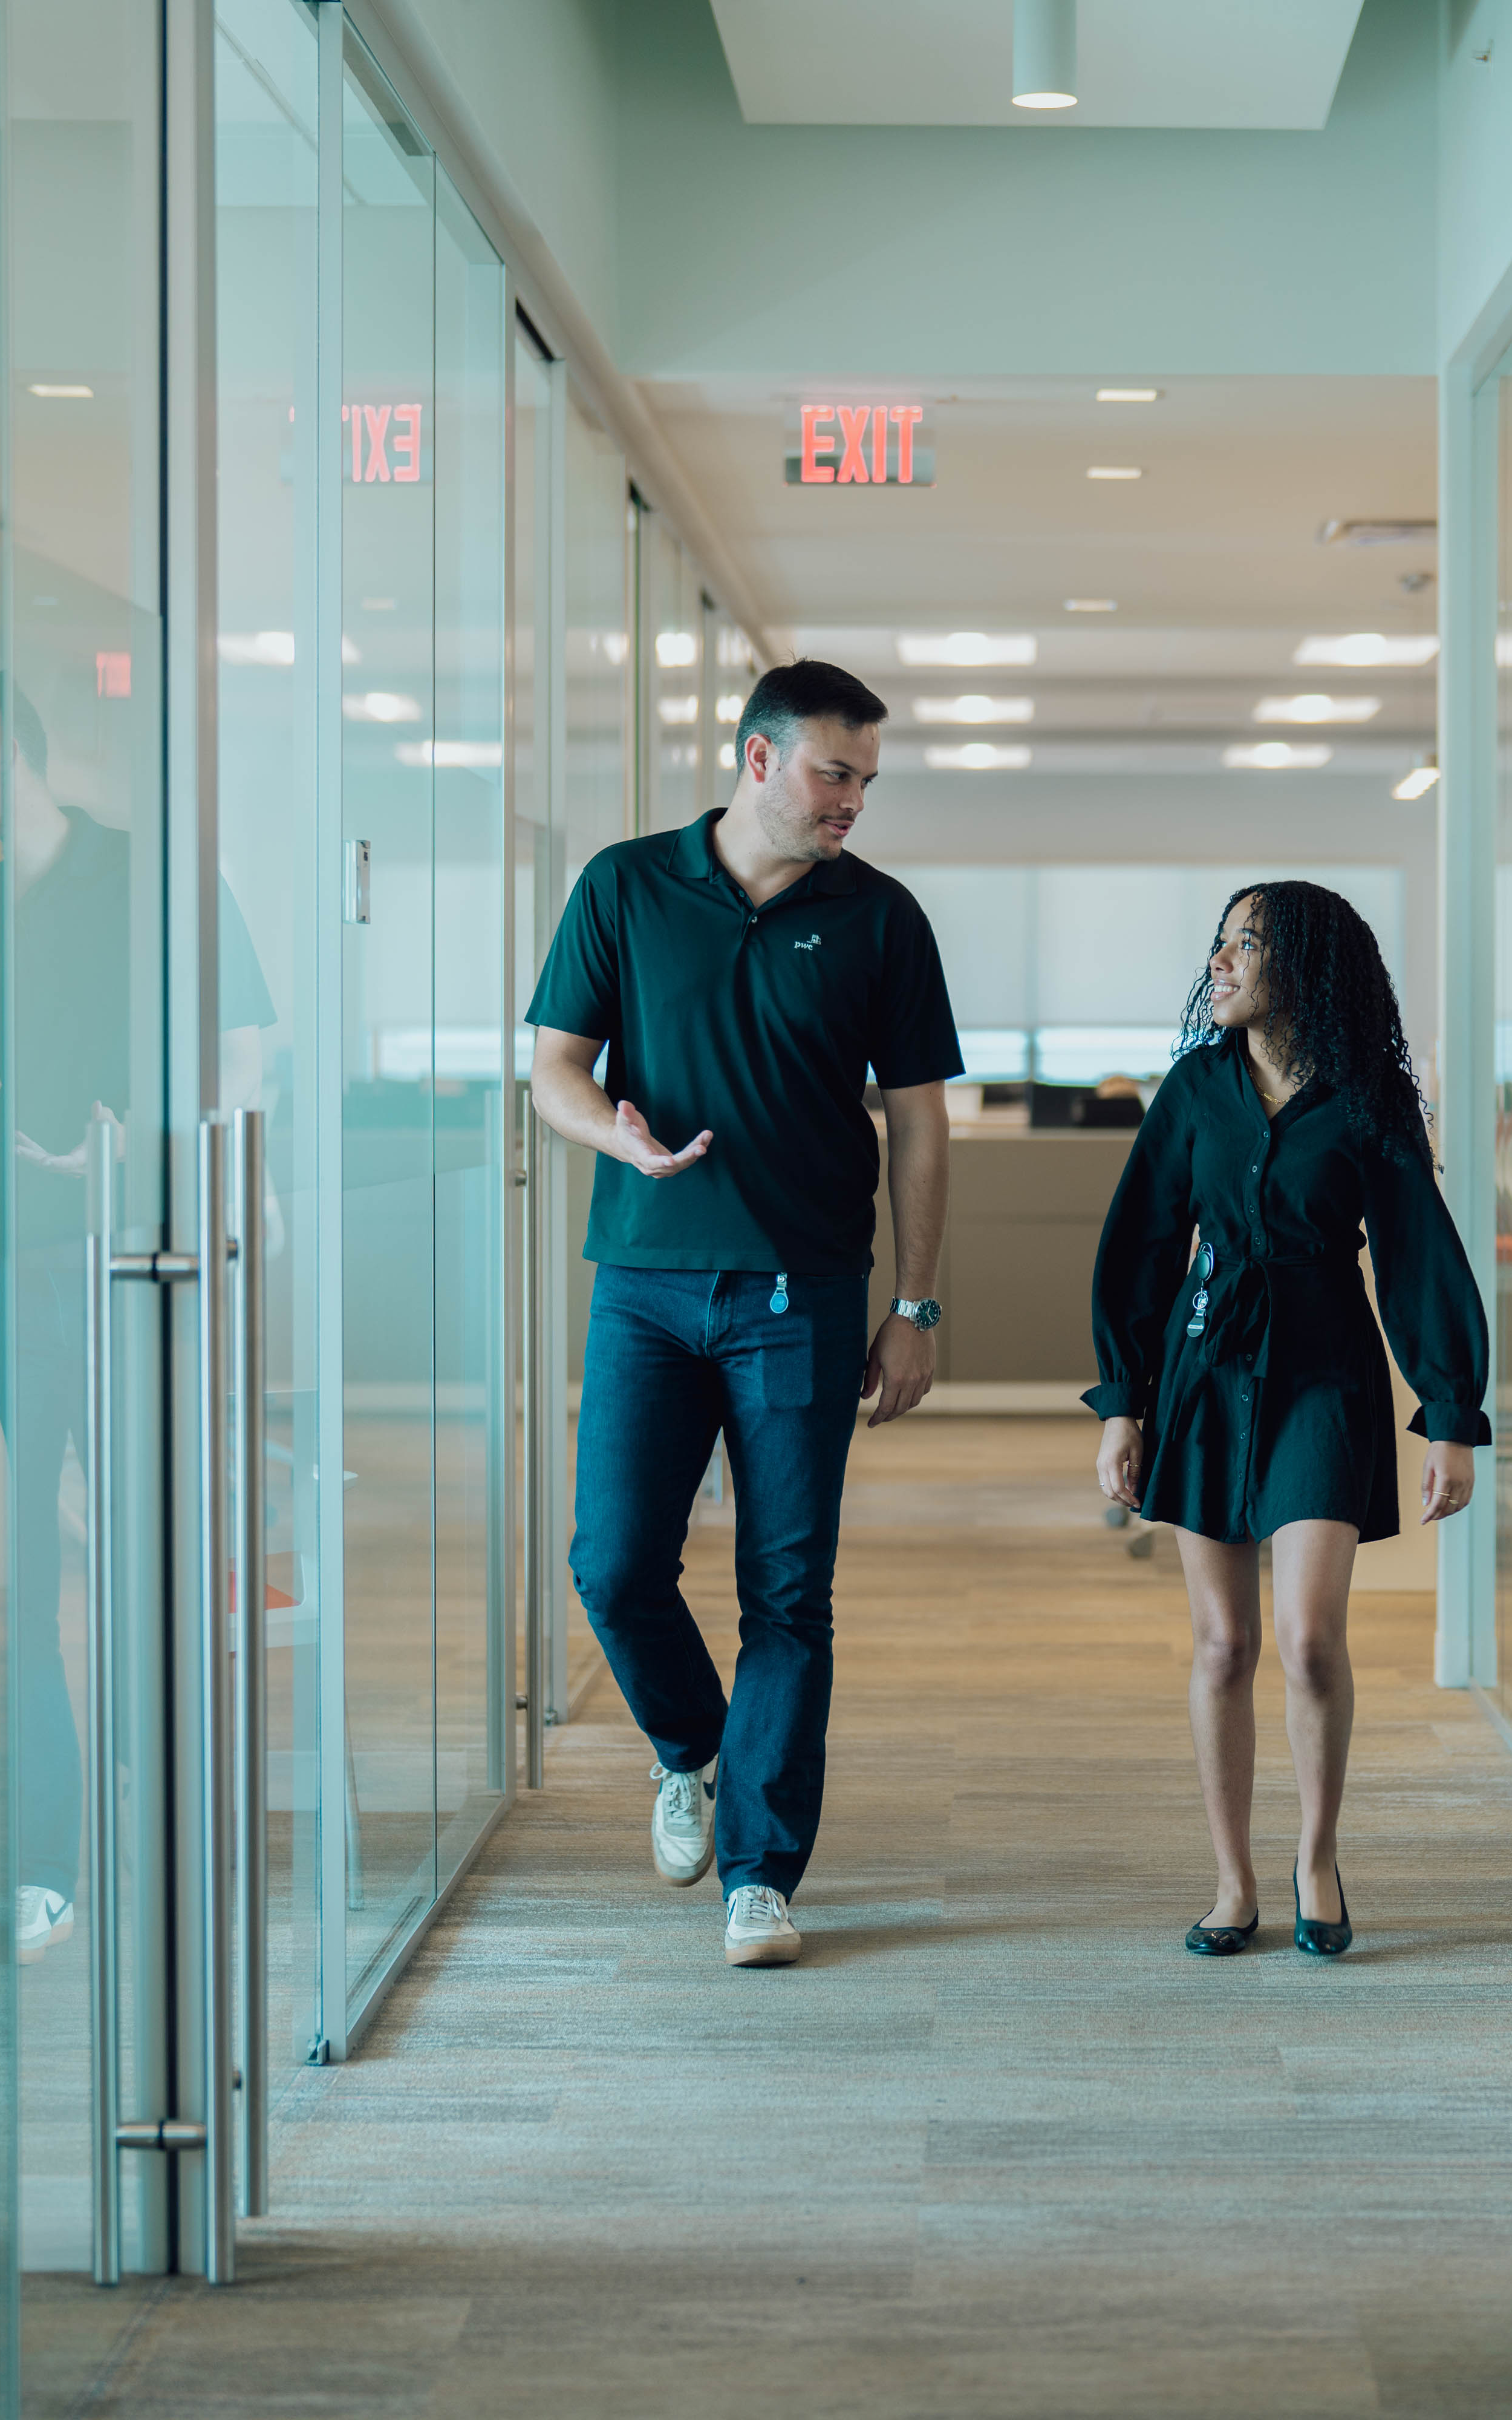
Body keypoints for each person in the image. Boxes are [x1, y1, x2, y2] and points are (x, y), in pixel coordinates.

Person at [525, 658, 959, 1969]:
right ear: (760, 760)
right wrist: (619, 1134)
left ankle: (762, 1876)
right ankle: (691, 1751)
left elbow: (921, 1124)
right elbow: (552, 1068)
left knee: (787, 1590)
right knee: (610, 1563)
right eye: (837, 773)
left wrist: (917, 1302)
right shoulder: (624, 884)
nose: (855, 803)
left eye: (869, 780)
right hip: (646, 1285)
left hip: (805, 1290)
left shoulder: (880, 916)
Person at [0, 676, 279, 1964]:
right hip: (35, 1277)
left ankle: (174, 1826)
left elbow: (241, 1057)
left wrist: (150, 1156)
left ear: (13, 747)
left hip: (151, 1260)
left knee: (151, 1560)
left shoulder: (156, 879)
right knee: (25, 1580)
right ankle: (47, 1855)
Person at [1086, 881, 1491, 1959]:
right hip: (1205, 1374)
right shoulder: (1193, 1091)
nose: (1218, 964)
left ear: (1305, 967)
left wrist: (1449, 1411)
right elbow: (1137, 1250)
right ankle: (1233, 1881)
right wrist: (1121, 1405)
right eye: (1217, 945)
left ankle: (1318, 1855)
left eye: (1245, 946)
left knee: (1310, 1642)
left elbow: (1418, 1259)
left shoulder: (1368, 1103)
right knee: (1223, 1644)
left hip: (1324, 1374)